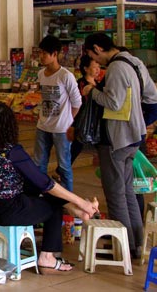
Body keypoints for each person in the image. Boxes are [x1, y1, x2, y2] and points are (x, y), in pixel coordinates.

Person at [0, 103, 99, 274]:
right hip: (7, 211)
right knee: (52, 204)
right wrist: (80, 201)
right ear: (10, 127)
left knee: (34, 185)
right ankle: (47, 257)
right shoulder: (12, 152)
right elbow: (46, 184)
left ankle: (73, 208)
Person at [82, 32, 157, 259]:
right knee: (127, 193)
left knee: (115, 196)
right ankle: (135, 245)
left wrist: (92, 91)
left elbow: (113, 102)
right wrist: (141, 121)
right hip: (134, 137)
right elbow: (152, 97)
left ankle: (121, 247)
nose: (96, 62)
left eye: (92, 55)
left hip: (117, 139)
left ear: (97, 48)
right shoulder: (134, 61)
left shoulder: (115, 67)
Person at [34, 36, 82, 191]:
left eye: (44, 53)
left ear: (55, 54)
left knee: (64, 167)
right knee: (39, 164)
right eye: (40, 53)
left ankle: (68, 200)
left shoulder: (66, 76)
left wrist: (68, 121)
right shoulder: (41, 74)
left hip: (61, 130)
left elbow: (77, 102)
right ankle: (40, 195)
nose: (41, 57)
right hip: (42, 127)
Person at [72, 54, 104, 164]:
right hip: (83, 119)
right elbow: (81, 101)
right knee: (77, 145)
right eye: (95, 67)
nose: (98, 70)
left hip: (96, 120)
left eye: (99, 67)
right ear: (85, 68)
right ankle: (60, 172)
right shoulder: (81, 83)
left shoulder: (98, 83)